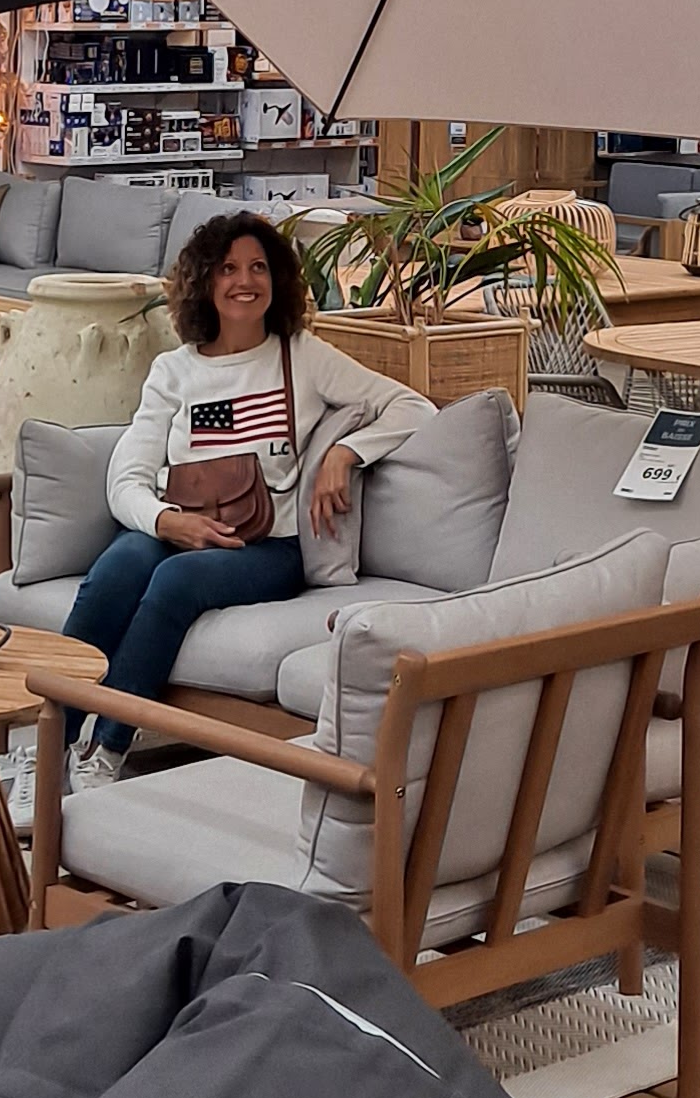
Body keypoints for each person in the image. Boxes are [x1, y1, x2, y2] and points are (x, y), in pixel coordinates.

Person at [62, 211, 431, 778]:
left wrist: (345, 453)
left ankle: (107, 751)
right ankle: (53, 742)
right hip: (177, 525)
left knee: (175, 581)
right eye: (229, 268)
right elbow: (126, 478)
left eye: (258, 267)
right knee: (116, 571)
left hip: (268, 544)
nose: (245, 280)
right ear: (205, 281)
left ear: (276, 279)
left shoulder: (301, 355)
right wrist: (166, 522)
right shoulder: (173, 371)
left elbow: (413, 406)